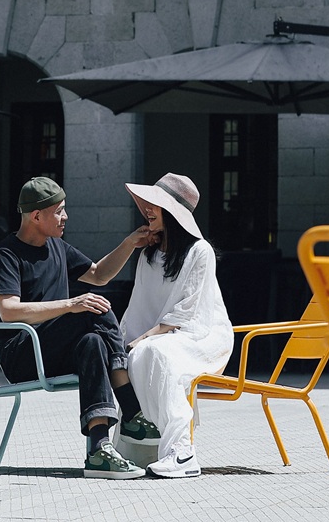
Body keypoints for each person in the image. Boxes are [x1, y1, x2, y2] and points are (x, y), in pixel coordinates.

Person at [0, 176, 162, 479]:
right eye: (59, 211)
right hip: (21, 353)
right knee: (90, 310)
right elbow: (8, 311)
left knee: (92, 341)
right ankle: (131, 409)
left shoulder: (57, 247)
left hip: (52, 350)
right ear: (36, 216)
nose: (65, 217)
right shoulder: (6, 254)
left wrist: (130, 243)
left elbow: (99, 275)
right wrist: (71, 304)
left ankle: (99, 450)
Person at [119, 172, 233, 478]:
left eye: (155, 204)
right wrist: (131, 340)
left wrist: (145, 337)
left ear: (171, 211)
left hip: (203, 336)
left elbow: (187, 311)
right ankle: (147, 449)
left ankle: (182, 452)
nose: (147, 209)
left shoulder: (200, 251)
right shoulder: (148, 255)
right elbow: (139, 305)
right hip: (161, 337)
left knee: (157, 353)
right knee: (138, 355)